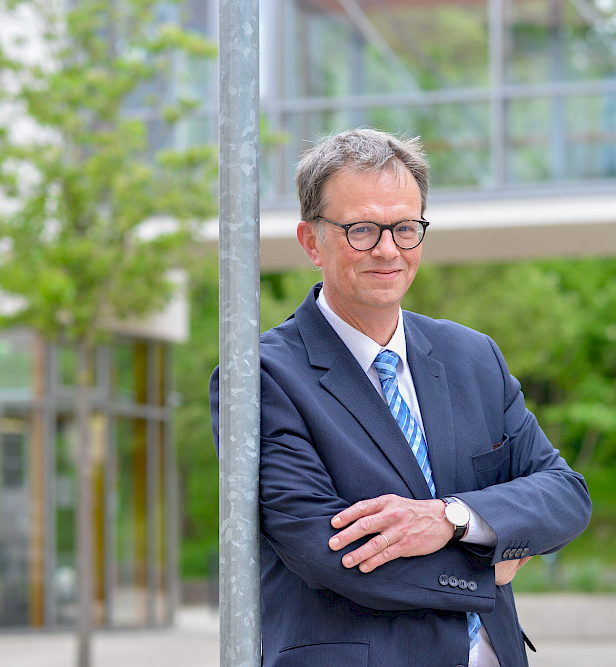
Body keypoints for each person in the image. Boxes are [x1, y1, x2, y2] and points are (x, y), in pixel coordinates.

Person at [210, 128, 592, 667]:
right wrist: (491, 559)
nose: (388, 250)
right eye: (362, 229)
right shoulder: (261, 378)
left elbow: (565, 494)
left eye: (405, 228)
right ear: (311, 241)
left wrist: (455, 518)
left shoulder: (473, 356)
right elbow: (327, 552)